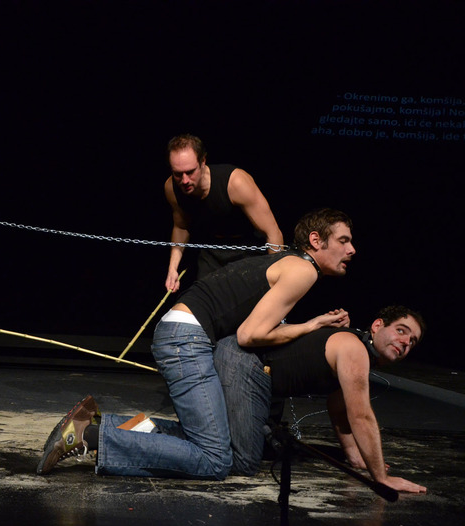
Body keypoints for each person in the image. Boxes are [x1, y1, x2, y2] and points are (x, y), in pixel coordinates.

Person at [37, 208, 355, 478]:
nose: (352, 250)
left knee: (206, 438)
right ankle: (89, 436)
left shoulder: (287, 262)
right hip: (186, 339)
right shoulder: (304, 270)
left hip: (181, 333)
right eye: (343, 240)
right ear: (316, 240)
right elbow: (250, 334)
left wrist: (311, 325)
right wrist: (310, 326)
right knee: (216, 460)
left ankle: (102, 423)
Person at [213, 306, 427, 493]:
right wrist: (382, 478)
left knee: (268, 449)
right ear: (377, 325)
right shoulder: (354, 349)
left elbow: (339, 409)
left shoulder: (357, 349)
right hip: (243, 361)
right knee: (244, 462)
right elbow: (361, 416)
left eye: (412, 341)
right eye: (401, 331)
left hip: (254, 374)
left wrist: (354, 456)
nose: (405, 342)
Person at [164, 134, 284, 291]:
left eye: (190, 172)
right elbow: (181, 227)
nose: (184, 180)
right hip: (211, 251)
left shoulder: (235, 183)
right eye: (178, 174)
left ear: (203, 161)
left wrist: (275, 281)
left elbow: (272, 232)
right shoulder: (171, 188)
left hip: (248, 250)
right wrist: (172, 269)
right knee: (202, 298)